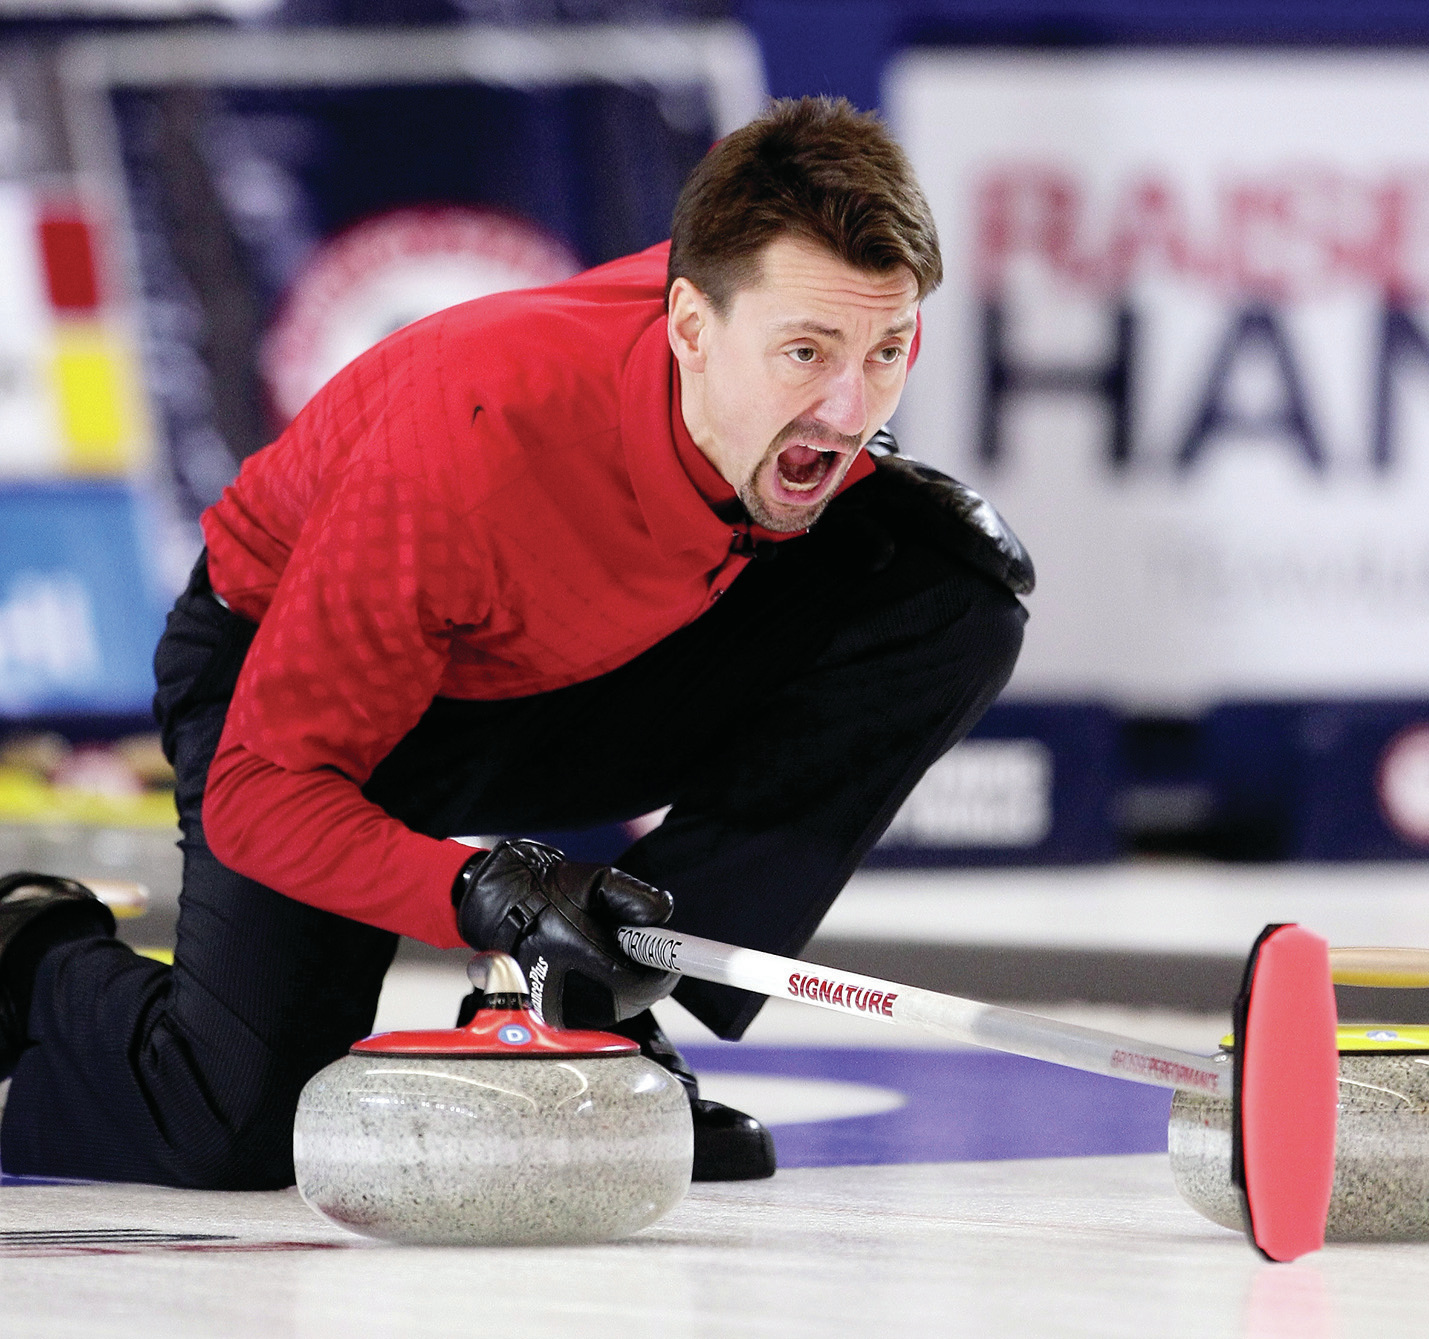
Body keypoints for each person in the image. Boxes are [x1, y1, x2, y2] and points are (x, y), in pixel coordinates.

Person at [0, 97, 1028, 1188]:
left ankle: (602, 1004)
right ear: (689, 326)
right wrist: (481, 890)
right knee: (236, 1126)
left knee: (955, 585)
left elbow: (846, 455)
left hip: (562, 654)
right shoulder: (467, 444)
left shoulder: (770, 341)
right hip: (307, 689)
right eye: (806, 353)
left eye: (887, 350)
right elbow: (265, 787)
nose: (844, 404)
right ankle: (30, 949)